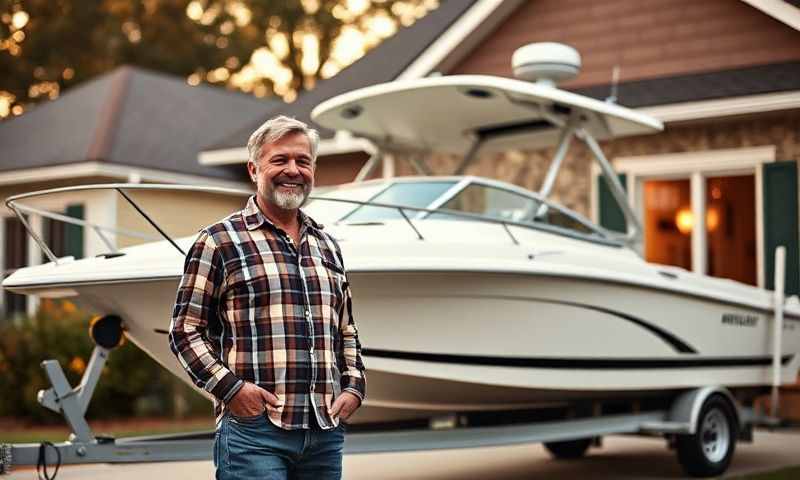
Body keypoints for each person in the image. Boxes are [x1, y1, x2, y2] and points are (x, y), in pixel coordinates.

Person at [168, 115, 366, 480]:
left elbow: (346, 328)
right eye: (280, 160)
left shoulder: (327, 246)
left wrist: (354, 386)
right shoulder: (218, 241)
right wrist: (233, 390)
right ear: (253, 168)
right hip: (254, 433)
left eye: (303, 161)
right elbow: (185, 331)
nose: (293, 170)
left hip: (324, 433)